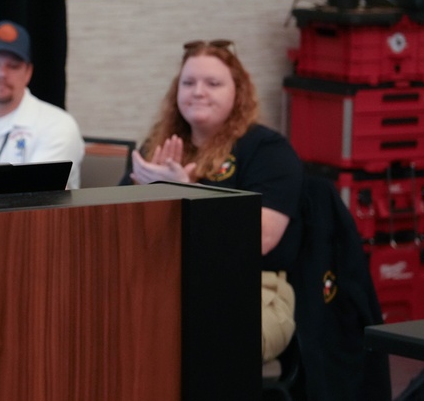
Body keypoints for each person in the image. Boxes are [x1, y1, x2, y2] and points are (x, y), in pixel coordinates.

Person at [126, 39, 303, 363]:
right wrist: (142, 194)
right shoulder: (158, 145)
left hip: (251, 288)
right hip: (163, 284)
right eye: (188, 82)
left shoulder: (267, 150)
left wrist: (186, 193)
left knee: (190, 341)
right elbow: (121, 233)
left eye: (213, 83)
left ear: (239, 92)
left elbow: (258, 239)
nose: (198, 91)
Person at [0, 20, 84, 190]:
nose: (2, 73)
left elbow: (38, 197)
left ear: (28, 73)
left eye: (13, 66)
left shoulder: (58, 125)